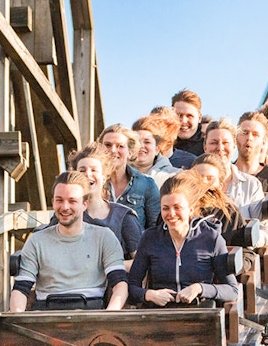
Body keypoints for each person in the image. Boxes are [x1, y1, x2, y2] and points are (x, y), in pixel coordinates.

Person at [9, 172, 128, 311]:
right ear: (53, 202)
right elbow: (21, 288)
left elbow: (120, 284)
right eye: (59, 200)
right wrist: (17, 319)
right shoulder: (36, 241)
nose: (65, 207)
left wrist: (109, 316)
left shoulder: (104, 237)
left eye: (72, 201)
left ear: (84, 204)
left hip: (92, 315)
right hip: (45, 317)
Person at [128, 172, 240, 307]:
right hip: (159, 314)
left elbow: (232, 290)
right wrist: (150, 295)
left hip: (198, 313)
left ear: (190, 210)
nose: (171, 214)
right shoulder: (150, 238)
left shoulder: (211, 238)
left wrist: (199, 288)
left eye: (177, 207)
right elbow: (132, 286)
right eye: (165, 208)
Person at [68, 143, 142, 258]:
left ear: (103, 178)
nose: (88, 174)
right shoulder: (66, 214)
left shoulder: (124, 217)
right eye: (82, 170)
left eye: (94, 170)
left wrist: (110, 266)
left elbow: (141, 264)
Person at [99, 124, 161, 229]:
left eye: (120, 146)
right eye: (108, 145)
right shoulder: (90, 183)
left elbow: (155, 230)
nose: (113, 150)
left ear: (130, 152)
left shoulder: (146, 185)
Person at [202, 118, 264, 217]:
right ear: (205, 147)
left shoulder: (251, 185)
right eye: (214, 143)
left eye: (225, 143)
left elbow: (262, 226)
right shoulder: (193, 183)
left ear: (234, 146)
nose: (220, 148)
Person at [191, 154, 251, 247]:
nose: (203, 182)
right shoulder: (176, 207)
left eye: (210, 178)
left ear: (220, 186)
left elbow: (242, 252)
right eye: (198, 177)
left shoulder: (230, 213)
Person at [131, 113, 180, 185]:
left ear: (157, 148)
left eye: (147, 142)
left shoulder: (174, 176)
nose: (141, 146)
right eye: (137, 141)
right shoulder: (116, 175)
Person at [171, 89, 206, 157]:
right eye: (179, 115)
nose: (183, 121)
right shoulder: (161, 147)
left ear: (199, 118)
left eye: (189, 116)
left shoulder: (208, 149)